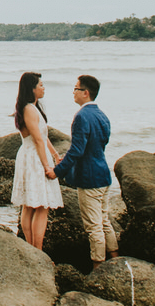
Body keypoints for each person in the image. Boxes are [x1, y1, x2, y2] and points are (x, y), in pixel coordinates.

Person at [52, 73, 119, 265]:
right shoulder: (102, 115)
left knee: (93, 226)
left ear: (86, 93)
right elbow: (99, 144)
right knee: (105, 221)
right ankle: (116, 259)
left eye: (76, 88)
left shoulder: (82, 116)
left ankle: (98, 267)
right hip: (104, 175)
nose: (73, 92)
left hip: (90, 179)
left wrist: (57, 171)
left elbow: (77, 150)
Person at [10, 70, 62, 250]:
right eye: (40, 85)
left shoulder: (31, 108)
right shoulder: (29, 109)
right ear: (32, 89)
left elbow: (43, 136)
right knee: (40, 205)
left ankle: (32, 249)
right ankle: (36, 250)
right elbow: (38, 139)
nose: (43, 88)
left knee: (30, 205)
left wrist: (55, 154)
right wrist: (47, 166)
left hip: (31, 154)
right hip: (33, 157)